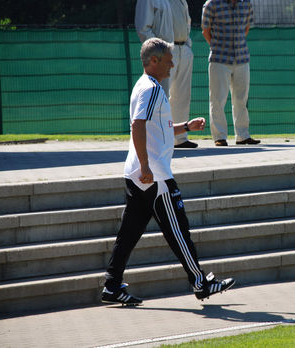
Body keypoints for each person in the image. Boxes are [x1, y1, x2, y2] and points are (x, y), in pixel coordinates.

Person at [101, 38, 235, 306]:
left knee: (128, 234)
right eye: (168, 60)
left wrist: (186, 126)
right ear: (154, 61)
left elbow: (156, 128)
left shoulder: (145, 86)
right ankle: (200, 282)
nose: (173, 64)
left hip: (137, 174)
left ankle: (112, 287)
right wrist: (147, 166)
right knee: (179, 230)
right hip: (154, 176)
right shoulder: (150, 89)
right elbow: (138, 126)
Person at [135, 0, 198, 149]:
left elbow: (186, 22)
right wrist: (158, 51)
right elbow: (143, 28)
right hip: (164, 52)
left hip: (183, 48)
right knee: (159, 95)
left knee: (182, 96)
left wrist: (187, 45)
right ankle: (157, 137)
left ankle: (180, 138)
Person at [201, 0, 260, 146]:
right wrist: (217, 46)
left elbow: (246, 28)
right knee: (218, 99)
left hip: (241, 58)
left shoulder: (246, 4)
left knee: (241, 99)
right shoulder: (211, 4)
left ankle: (243, 135)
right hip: (219, 58)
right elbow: (205, 31)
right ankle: (219, 137)